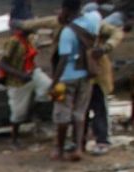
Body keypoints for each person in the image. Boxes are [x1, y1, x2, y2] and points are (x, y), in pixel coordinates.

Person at [50, 0, 100, 162]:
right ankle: (78, 148)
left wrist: (54, 82)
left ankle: (59, 149)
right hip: (86, 74)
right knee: (80, 113)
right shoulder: (92, 21)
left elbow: (63, 59)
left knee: (62, 114)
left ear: (66, 9)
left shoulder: (67, 32)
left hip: (66, 78)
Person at [0, 22, 52, 146]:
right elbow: (2, 64)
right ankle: (14, 139)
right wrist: (20, 74)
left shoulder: (30, 39)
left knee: (48, 86)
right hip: (17, 80)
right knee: (18, 113)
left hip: (32, 73)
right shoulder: (13, 42)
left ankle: (34, 111)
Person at [83, 15, 124, 154]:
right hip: (81, 76)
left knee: (100, 108)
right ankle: (80, 141)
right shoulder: (73, 26)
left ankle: (102, 140)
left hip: (98, 76)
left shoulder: (98, 27)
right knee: (82, 110)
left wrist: (106, 47)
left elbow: (117, 33)